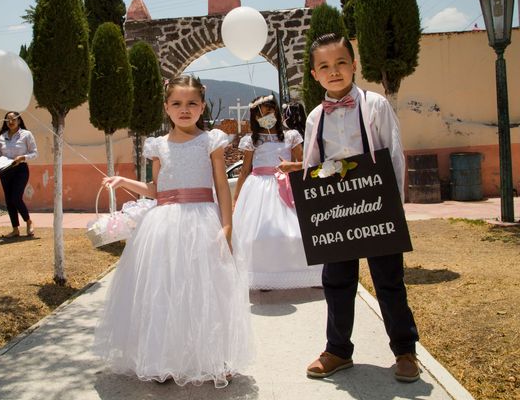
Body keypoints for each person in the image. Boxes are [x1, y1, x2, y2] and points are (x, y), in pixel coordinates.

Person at [92, 75, 252, 388]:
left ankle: (215, 357)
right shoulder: (157, 146)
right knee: (164, 291)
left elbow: (221, 186)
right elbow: (156, 189)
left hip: (202, 221)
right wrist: (125, 182)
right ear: (166, 107)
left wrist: (227, 225)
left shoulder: (212, 141)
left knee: (207, 290)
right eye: (177, 103)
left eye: (192, 103)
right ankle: (163, 359)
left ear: (202, 106)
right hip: (164, 225)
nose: (184, 109)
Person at [286, 33, 420, 382]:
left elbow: (393, 154)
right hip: (335, 212)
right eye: (325, 66)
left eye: (341, 62)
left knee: (389, 280)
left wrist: (395, 209)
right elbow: (312, 163)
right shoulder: (315, 116)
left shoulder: (375, 105)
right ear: (314, 74)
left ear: (354, 65)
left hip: (377, 207)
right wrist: (313, 214)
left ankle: (405, 351)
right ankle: (338, 350)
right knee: (337, 281)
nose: (334, 71)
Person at [232, 95, 322, 290]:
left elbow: (304, 163)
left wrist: (291, 167)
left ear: (276, 112)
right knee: (261, 234)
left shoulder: (291, 137)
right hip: (258, 189)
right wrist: (237, 197)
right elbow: (245, 170)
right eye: (261, 114)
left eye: (269, 112)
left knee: (299, 233)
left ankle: (310, 274)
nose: (266, 117)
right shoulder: (252, 141)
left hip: (286, 186)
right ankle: (264, 276)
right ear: (255, 117)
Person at [0, 111, 38, 238]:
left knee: (16, 198)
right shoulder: (2, 136)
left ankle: (28, 222)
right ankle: (15, 229)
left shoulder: (26, 135)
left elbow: (34, 153)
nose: (10, 122)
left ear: (19, 120)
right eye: (8, 120)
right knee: (9, 200)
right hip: (5, 170)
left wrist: (23, 157)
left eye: (13, 119)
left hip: (20, 169)